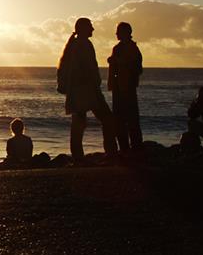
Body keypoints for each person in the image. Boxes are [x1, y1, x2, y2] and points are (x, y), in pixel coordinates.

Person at [57, 17, 117, 163]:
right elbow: (89, 68)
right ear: (83, 28)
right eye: (90, 26)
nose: (93, 29)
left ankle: (79, 156)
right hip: (87, 90)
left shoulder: (75, 44)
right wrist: (96, 83)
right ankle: (110, 152)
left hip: (80, 91)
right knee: (106, 119)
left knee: (79, 122)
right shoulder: (83, 44)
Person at [107, 22, 143, 152]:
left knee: (131, 120)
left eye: (118, 31)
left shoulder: (133, 49)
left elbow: (137, 68)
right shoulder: (117, 48)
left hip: (128, 88)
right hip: (118, 88)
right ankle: (124, 149)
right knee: (119, 120)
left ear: (126, 33)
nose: (116, 33)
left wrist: (119, 62)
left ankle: (136, 149)